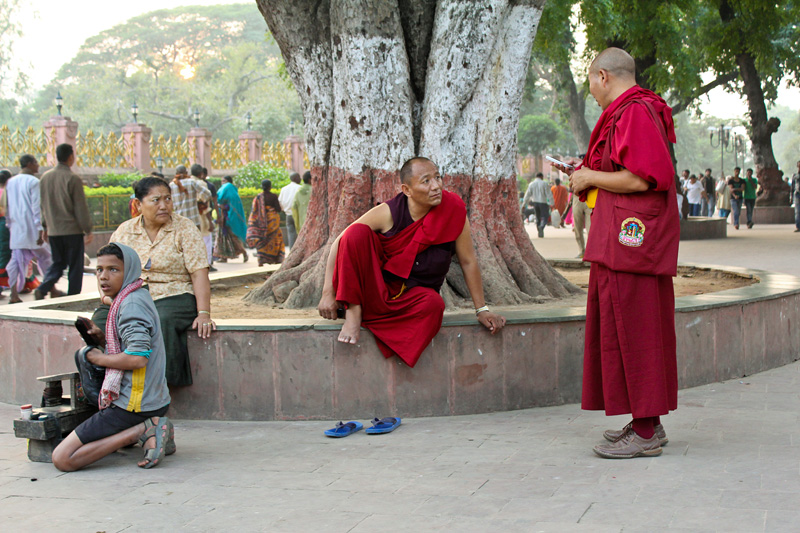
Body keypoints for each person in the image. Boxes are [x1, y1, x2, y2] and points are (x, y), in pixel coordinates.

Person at [555, 47, 679, 459]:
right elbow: (623, 172)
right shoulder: (629, 112)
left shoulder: (635, 111)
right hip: (620, 241)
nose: (590, 91)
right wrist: (586, 174)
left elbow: (647, 178)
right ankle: (650, 424)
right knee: (626, 326)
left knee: (636, 329)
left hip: (633, 244)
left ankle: (644, 433)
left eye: (590, 81)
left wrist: (591, 175)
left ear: (604, 76)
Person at [317, 156, 506, 368]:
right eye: (426, 181)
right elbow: (340, 243)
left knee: (434, 305)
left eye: (437, 177)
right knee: (355, 233)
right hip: (375, 291)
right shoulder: (390, 212)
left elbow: (468, 261)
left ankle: (373, 320)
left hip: (413, 298)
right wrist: (328, 293)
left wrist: (482, 309)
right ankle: (353, 313)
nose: (436, 186)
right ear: (406, 190)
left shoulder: (453, 210)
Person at [51, 243, 172, 471]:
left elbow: (138, 359)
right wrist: (104, 341)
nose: (104, 277)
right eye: (100, 270)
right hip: (154, 401)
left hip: (134, 406)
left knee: (63, 458)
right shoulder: (133, 295)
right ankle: (154, 429)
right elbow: (135, 346)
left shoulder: (132, 304)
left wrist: (98, 358)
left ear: (131, 271)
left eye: (114, 270)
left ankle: (141, 431)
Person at [100, 177, 216, 387]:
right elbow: (107, 267)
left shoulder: (185, 229)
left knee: (159, 319)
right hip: (132, 296)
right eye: (156, 200)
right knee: (100, 320)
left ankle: (160, 385)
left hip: (175, 295)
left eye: (168, 199)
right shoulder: (125, 231)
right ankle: (103, 378)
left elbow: (199, 273)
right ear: (138, 204)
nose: (164, 205)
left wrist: (204, 313)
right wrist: (107, 298)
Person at [37, 143, 93, 297]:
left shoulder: (45, 177)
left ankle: (43, 288)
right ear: (70, 157)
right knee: (75, 265)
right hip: (72, 230)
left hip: (54, 230)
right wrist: (87, 229)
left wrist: (45, 227)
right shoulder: (72, 178)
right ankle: (73, 295)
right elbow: (80, 207)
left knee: (58, 263)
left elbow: (42, 205)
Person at [5, 155, 54, 304]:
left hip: (17, 230)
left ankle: (14, 294)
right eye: (36, 162)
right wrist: (40, 229)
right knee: (46, 258)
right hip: (32, 230)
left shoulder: (10, 182)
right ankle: (50, 288)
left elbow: (7, 207)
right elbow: (36, 207)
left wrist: (9, 225)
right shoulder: (34, 182)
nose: (38, 165)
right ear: (30, 164)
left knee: (15, 262)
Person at [246, 179, 284, 266]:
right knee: (275, 239)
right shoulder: (273, 196)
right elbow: (278, 209)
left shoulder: (258, 197)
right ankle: (274, 259)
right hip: (273, 221)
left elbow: (254, 211)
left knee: (262, 239)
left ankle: (261, 259)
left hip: (261, 222)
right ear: (270, 187)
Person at [214, 176, 249, 264]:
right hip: (223, 217)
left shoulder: (229, 190)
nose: (222, 182)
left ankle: (244, 252)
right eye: (221, 181)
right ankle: (223, 257)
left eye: (224, 181)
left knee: (233, 237)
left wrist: (221, 207)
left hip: (228, 218)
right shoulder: (230, 191)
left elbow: (227, 205)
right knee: (222, 238)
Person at [169, 165, 211, 232]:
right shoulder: (191, 182)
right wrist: (202, 201)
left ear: (176, 173)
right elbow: (208, 194)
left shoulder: (171, 185)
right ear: (186, 172)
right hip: (193, 221)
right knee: (196, 241)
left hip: (179, 222)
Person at [192, 164, 217, 271]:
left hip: (189, 218)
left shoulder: (182, 183)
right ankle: (207, 264)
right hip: (201, 217)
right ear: (201, 174)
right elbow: (204, 204)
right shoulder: (201, 184)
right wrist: (210, 221)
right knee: (206, 241)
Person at [521, 172, 553, 238]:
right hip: (543, 202)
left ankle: (539, 230)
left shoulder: (531, 184)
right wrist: (552, 203)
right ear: (541, 177)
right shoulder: (544, 183)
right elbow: (549, 194)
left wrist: (524, 204)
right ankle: (541, 226)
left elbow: (527, 195)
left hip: (535, 202)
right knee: (545, 216)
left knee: (538, 217)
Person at [278, 172, 302, 248]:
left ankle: (292, 250)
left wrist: (285, 210)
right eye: (299, 177)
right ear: (295, 178)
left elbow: (280, 202)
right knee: (300, 234)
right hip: (299, 215)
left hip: (288, 215)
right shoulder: (300, 188)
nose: (300, 179)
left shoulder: (284, 189)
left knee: (291, 234)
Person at [571, 191, 592, 259]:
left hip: (590, 196)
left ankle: (590, 252)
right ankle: (581, 251)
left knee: (591, 229)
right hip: (577, 197)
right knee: (577, 227)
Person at [792, 160, 800, 232]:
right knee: (797, 211)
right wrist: (791, 197)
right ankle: (798, 226)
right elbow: (793, 186)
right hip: (797, 194)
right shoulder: (795, 175)